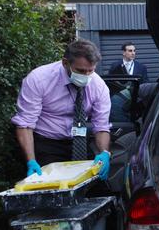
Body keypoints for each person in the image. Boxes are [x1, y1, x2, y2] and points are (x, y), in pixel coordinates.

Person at [11, 39, 111, 180]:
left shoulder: (99, 86)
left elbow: (101, 126)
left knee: (93, 186)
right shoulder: (38, 79)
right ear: (65, 63)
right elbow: (25, 124)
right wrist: (31, 160)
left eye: (91, 70)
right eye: (81, 71)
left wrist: (104, 153)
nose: (86, 76)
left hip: (79, 142)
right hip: (46, 143)